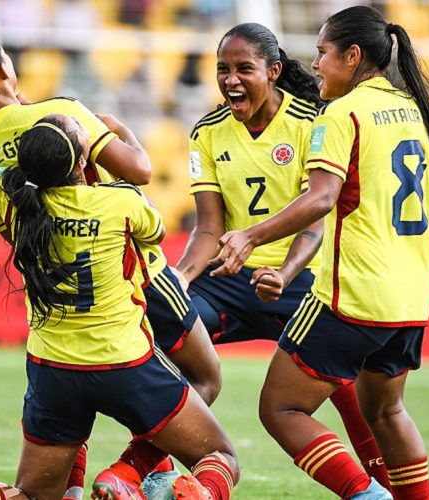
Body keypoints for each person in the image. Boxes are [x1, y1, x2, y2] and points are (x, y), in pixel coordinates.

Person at [0, 26, 222, 500]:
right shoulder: (62, 115)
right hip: (139, 276)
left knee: (69, 401)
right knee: (205, 377)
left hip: (58, 295)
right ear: (5, 68)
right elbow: (140, 171)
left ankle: (68, 489)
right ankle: (128, 474)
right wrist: (111, 125)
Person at [211, 7, 429, 499]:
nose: (317, 64)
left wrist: (251, 236)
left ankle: (365, 495)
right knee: (387, 411)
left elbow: (322, 197)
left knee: (280, 409)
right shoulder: (415, 107)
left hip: (354, 293)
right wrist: (398, 247)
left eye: (324, 53)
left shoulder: (341, 113)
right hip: (411, 293)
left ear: (352, 55)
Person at [171, 22, 390, 489]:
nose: (230, 79)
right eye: (222, 69)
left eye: (243, 69)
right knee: (168, 333)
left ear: (272, 72)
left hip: (303, 281)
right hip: (229, 278)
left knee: (346, 389)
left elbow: (315, 223)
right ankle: (134, 470)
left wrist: (285, 273)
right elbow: (209, 226)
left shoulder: (314, 121)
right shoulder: (207, 132)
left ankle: (378, 488)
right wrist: (182, 279)